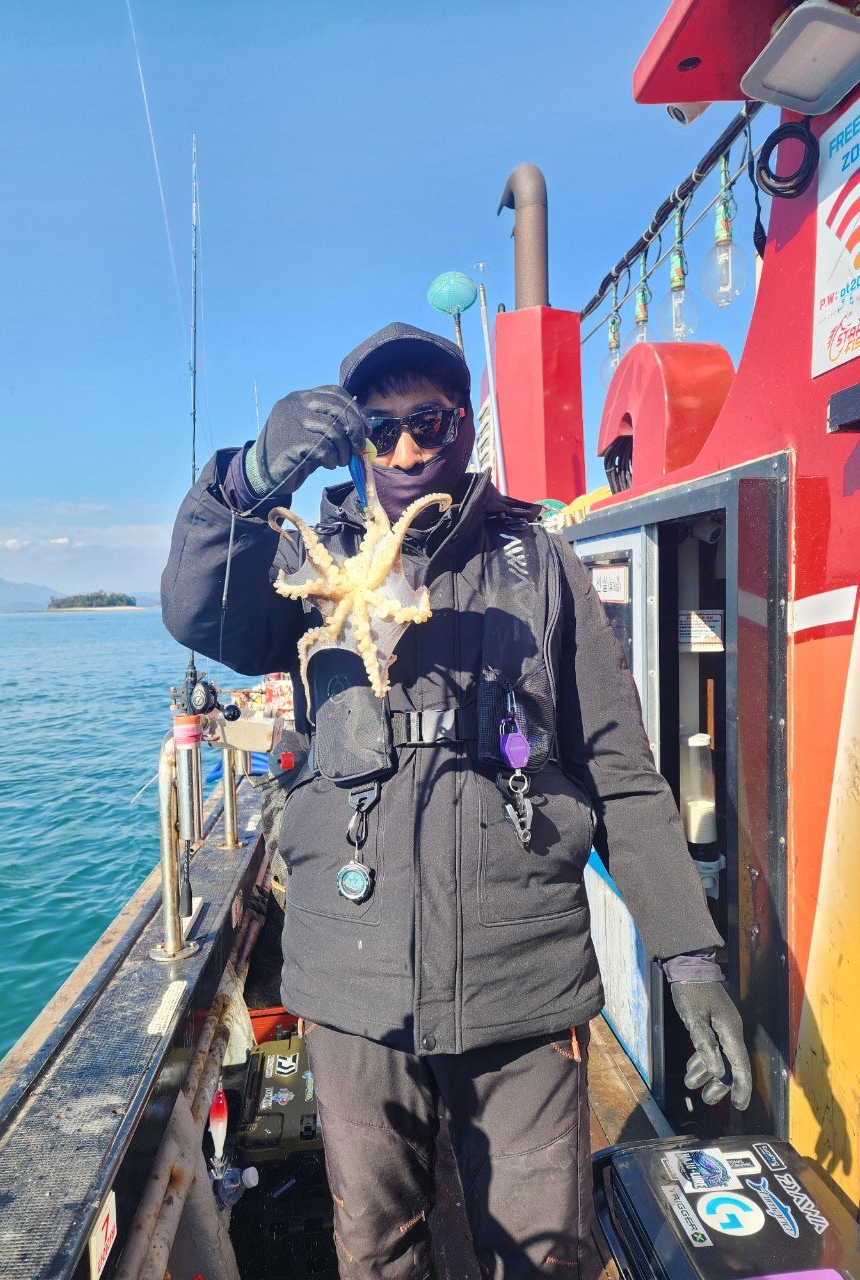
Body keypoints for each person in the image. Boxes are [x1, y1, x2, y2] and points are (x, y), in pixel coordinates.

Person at [161, 322, 752, 1279]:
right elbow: (197, 611)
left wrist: (689, 958)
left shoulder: (541, 564)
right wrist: (244, 483)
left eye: (427, 423)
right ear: (356, 439)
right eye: (379, 428)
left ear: (463, 427)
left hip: (524, 979)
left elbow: (621, 772)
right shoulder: (309, 567)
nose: (403, 450)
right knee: (375, 1244)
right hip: (352, 978)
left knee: (546, 1253)